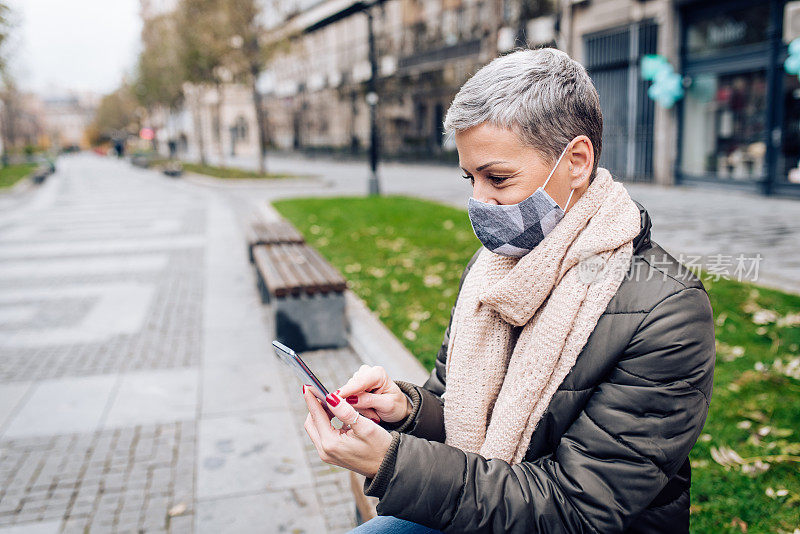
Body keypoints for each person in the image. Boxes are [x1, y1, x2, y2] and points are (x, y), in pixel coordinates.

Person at [302, 47, 715, 533]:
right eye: (469, 178)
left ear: (577, 162)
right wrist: (406, 410)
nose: (479, 200)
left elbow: (577, 509)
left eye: (497, 177)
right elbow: (460, 413)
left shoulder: (666, 312)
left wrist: (394, 463)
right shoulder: (493, 269)